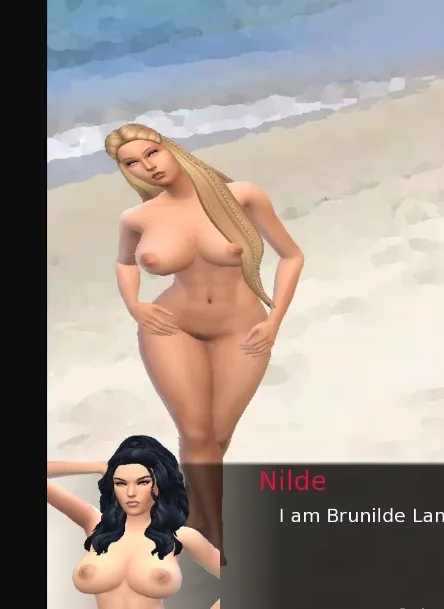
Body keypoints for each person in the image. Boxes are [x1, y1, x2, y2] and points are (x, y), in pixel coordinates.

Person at [106, 123, 305, 554]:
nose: (147, 167)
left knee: (216, 435)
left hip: (242, 328)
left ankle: (195, 512)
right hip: (171, 327)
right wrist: (135, 305)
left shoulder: (242, 196)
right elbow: (124, 263)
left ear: (170, 148)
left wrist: (275, 320)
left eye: (152, 153)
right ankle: (213, 537)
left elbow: (292, 255)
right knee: (196, 434)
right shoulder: (137, 218)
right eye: (132, 163)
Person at [48, 435, 222, 608]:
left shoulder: (179, 535)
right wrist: (98, 466)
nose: (130, 493)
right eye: (121, 483)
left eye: (142, 482)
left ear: (160, 482)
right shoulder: (95, 524)